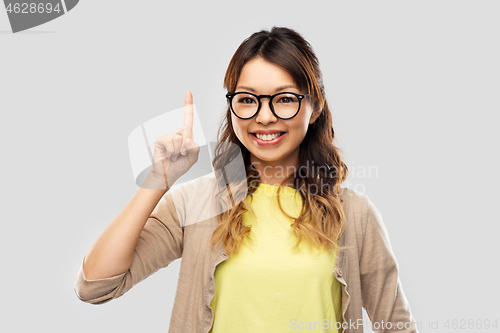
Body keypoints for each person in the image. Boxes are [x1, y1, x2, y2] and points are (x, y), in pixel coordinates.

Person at [74, 26, 419, 333]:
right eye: (247, 100)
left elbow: (396, 325)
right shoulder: (196, 204)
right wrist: (157, 180)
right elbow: (95, 286)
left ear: (314, 108)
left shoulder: (354, 214)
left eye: (284, 99)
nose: (264, 117)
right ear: (232, 107)